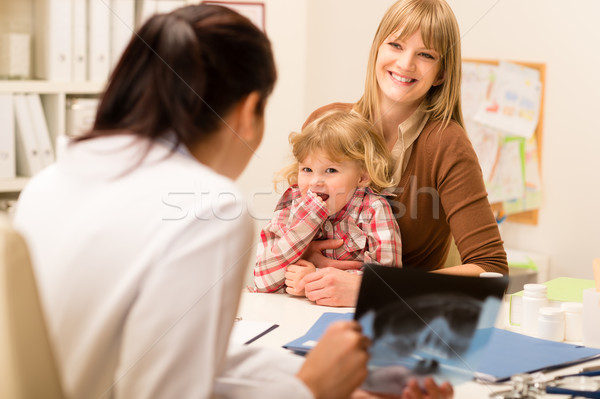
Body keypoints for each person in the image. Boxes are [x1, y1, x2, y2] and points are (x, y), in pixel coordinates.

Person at [12, 4, 452, 399]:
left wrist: (330, 380)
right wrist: (311, 389)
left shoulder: (50, 183)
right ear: (248, 110)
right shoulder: (211, 208)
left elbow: (184, 362)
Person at [293, 0, 508, 307]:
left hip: (400, 321)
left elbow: (492, 269)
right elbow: (288, 217)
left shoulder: (447, 142)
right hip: (307, 309)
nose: (406, 63)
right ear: (377, 50)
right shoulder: (325, 122)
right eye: (396, 45)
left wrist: (377, 289)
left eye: (426, 55)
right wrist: (303, 251)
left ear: (442, 73)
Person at [253, 110, 402, 295]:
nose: (315, 181)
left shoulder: (373, 210)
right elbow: (262, 280)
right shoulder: (292, 202)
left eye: (331, 170)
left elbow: (388, 282)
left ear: (362, 177)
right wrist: (308, 221)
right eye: (307, 169)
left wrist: (312, 277)